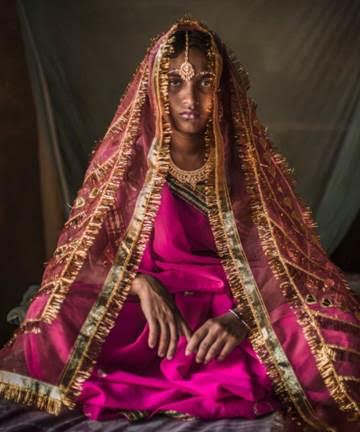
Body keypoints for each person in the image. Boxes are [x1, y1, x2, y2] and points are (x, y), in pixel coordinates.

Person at [0, 16, 359, 432]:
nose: (191, 96)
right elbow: (87, 258)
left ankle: (212, 366)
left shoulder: (244, 168)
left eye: (204, 82)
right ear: (156, 89)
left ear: (220, 89)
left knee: (329, 332)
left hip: (227, 305)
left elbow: (285, 265)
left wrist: (245, 319)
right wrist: (141, 285)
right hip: (152, 314)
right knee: (56, 309)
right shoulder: (129, 165)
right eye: (175, 82)